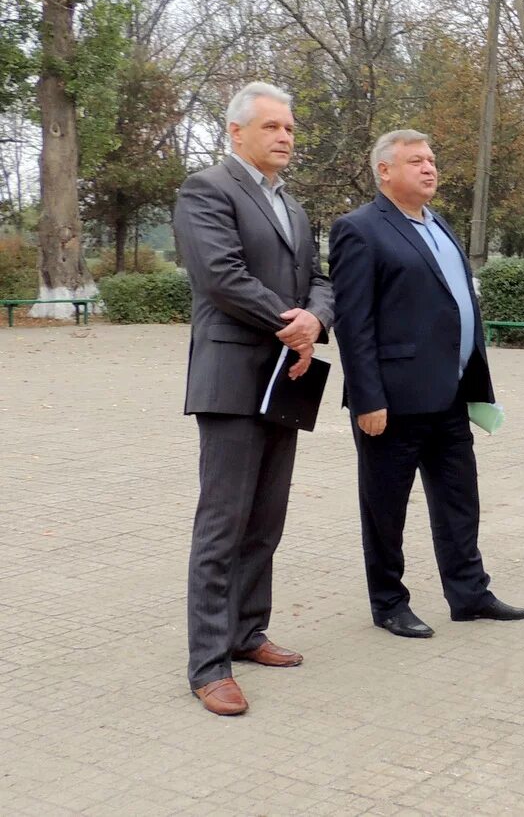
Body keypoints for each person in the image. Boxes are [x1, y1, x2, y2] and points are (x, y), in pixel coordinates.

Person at [172, 82, 334, 716]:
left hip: (287, 376)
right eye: (272, 127)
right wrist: (289, 322)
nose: (285, 137)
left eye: (290, 128)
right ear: (236, 132)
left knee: (265, 519)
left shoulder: (291, 205)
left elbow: (321, 278)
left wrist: (315, 323)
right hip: (233, 377)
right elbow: (219, 274)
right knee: (224, 521)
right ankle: (208, 663)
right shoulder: (206, 189)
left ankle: (246, 633)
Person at [328, 130, 524, 639]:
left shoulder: (438, 224)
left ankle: (469, 594)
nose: (429, 168)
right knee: (385, 509)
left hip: (451, 394)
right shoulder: (359, 229)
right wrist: (367, 398)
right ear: (385, 172)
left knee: (460, 500)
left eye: (432, 159)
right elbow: (354, 322)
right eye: (415, 160)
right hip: (392, 402)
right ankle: (389, 603)